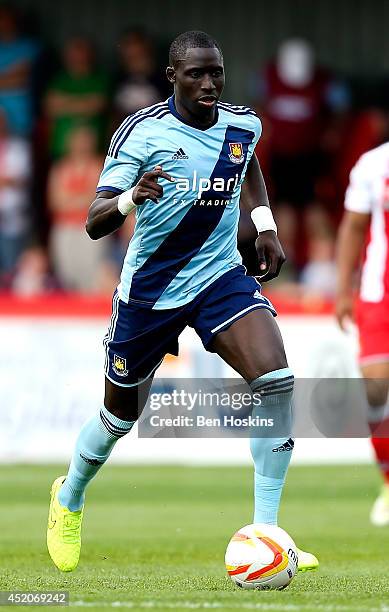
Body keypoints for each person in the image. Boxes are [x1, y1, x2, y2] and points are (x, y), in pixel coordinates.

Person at [46, 30, 318, 573]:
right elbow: (95, 222)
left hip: (219, 278)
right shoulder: (141, 133)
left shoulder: (243, 125)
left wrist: (263, 225)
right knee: (119, 416)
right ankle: (70, 495)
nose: (209, 83)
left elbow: (248, 167)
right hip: (150, 293)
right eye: (196, 73)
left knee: (276, 380)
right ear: (173, 77)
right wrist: (129, 196)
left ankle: (267, 531)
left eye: (215, 71)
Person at [336, 140, 389, 525]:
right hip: (379, 293)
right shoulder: (374, 163)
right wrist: (342, 290)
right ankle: (388, 481)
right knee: (375, 386)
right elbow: (353, 226)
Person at [47, 125, 116, 293]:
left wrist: (70, 199)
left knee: (91, 272)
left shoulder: (98, 166)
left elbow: (99, 201)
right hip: (64, 228)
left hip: (90, 229)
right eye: (78, 141)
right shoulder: (61, 168)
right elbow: (55, 202)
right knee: (66, 271)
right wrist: (83, 198)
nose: (82, 145)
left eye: (85, 141)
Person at [45, 36, 109, 159]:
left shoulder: (100, 78)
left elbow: (97, 105)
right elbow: (50, 108)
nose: (77, 58)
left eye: (81, 53)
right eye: (73, 53)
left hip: (92, 148)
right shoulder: (59, 79)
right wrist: (84, 102)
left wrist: (64, 103)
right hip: (62, 146)